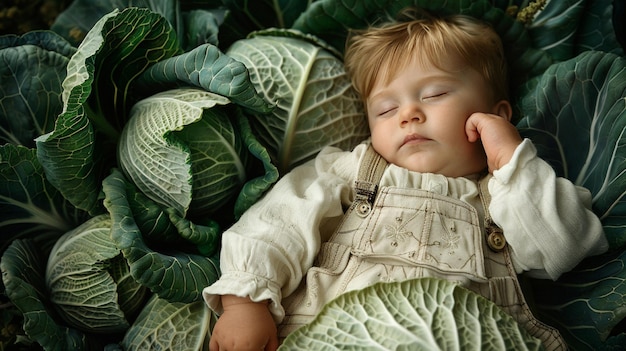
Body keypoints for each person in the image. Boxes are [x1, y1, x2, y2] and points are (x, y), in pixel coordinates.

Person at [204, 9, 608, 351]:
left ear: (497, 114)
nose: (408, 113)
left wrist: (510, 161)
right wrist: (245, 302)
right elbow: (278, 222)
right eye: (385, 109)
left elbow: (566, 246)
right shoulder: (352, 170)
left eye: (434, 94)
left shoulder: (505, 197)